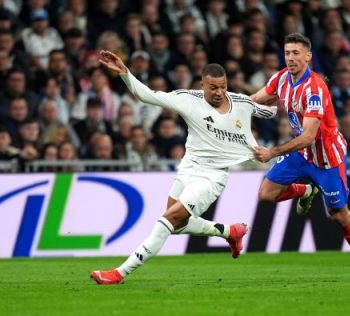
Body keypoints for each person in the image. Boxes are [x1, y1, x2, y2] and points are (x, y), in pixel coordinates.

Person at [90, 50, 277, 285]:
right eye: (213, 87)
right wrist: (125, 73)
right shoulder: (188, 99)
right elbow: (147, 95)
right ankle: (230, 232)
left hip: (212, 177)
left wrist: (292, 99)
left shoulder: (241, 103)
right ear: (202, 85)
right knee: (178, 226)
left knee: (169, 219)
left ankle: (120, 272)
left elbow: (271, 111)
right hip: (188, 169)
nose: (219, 92)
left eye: (223, 86)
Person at [250, 33, 350, 281]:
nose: (291, 58)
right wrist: (226, 105)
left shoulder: (315, 89)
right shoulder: (282, 78)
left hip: (327, 158)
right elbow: (253, 100)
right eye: (287, 53)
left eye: (296, 53)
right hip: (301, 154)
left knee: (338, 214)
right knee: (266, 195)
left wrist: (272, 152)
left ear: (308, 56)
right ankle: (306, 191)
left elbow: (308, 137)